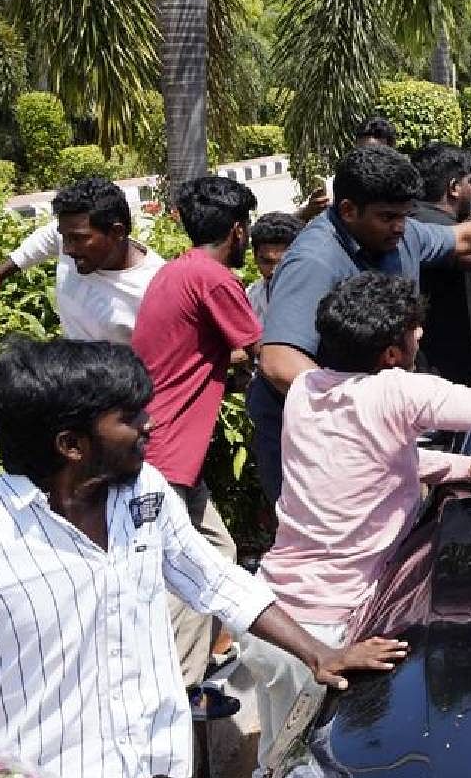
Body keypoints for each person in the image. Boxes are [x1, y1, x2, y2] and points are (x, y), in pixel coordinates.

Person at [0, 338, 405, 778]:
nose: (149, 423)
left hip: (153, 761)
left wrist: (320, 654)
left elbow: (215, 580)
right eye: (128, 418)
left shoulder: (142, 495)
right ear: (71, 445)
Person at [247, 273, 471, 767]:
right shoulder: (398, 392)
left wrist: (461, 466)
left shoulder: (307, 389)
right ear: (391, 353)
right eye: (414, 330)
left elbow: (369, 458)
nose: (422, 337)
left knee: (275, 760)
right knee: (316, 764)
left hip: (271, 618)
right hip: (329, 633)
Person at [250, 145, 471, 501]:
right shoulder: (315, 261)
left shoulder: (401, 232)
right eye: (388, 217)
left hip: (377, 429)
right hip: (317, 440)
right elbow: (278, 362)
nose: (401, 227)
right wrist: (364, 408)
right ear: (348, 210)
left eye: (405, 215)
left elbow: (464, 238)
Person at [128, 175, 264, 705]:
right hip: (166, 450)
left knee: (216, 550)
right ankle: (178, 690)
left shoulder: (178, 272)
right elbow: (262, 353)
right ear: (237, 230)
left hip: (158, 445)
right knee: (186, 571)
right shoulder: (214, 278)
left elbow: (198, 353)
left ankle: (194, 665)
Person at [0, 177, 165, 342]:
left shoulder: (156, 287)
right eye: (64, 237)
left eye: (77, 239)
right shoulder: (71, 233)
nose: (67, 249)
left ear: (116, 232)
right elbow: (40, 243)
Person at [412, 143, 471, 386]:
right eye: (469, 184)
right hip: (450, 374)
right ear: (454, 187)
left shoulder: (430, 220)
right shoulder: (430, 225)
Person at [246, 210, 304, 321]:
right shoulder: (249, 299)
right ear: (255, 256)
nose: (274, 271)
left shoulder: (318, 295)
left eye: (282, 263)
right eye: (267, 262)